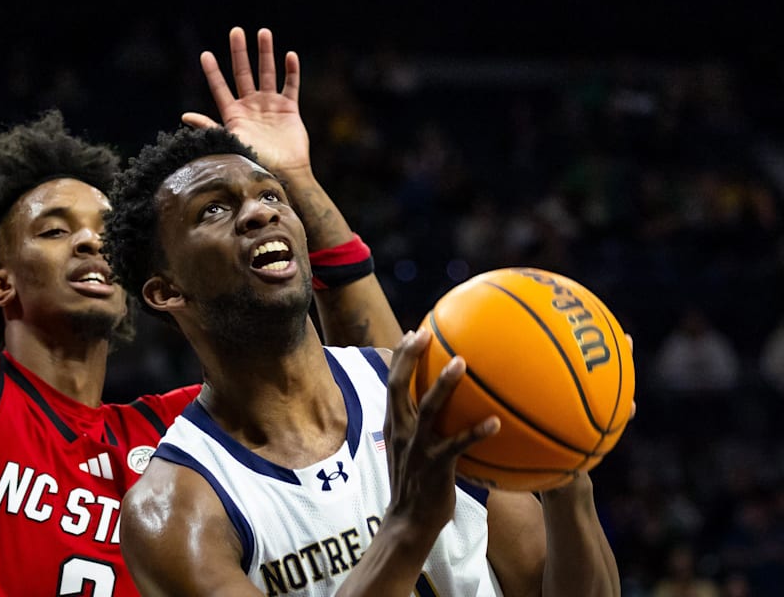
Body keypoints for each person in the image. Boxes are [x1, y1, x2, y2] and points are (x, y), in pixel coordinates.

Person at [0, 0, 397, 594]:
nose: (90, 244)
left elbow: (382, 398)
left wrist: (295, 180)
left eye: (103, 232)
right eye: (55, 229)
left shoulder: (179, 438)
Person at [105, 125, 622, 594]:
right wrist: (407, 527)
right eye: (212, 209)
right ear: (164, 290)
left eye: (270, 194)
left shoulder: (422, 393)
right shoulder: (176, 509)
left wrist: (566, 482)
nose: (261, 212)